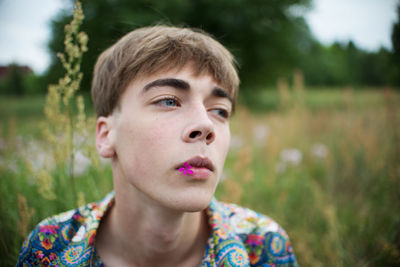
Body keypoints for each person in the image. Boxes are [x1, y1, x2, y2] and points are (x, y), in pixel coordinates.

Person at [16, 25, 298, 267]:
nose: (206, 126)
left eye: (220, 111)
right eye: (169, 100)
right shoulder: (50, 248)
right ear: (106, 135)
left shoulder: (263, 247)